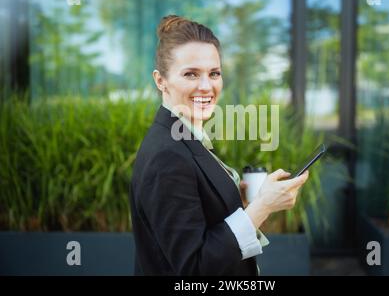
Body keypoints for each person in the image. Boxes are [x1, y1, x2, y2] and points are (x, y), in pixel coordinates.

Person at [129, 15, 309, 275]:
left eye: (214, 73)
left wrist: (244, 201)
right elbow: (195, 269)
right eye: (191, 74)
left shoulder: (185, 136)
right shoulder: (167, 155)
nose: (207, 86)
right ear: (160, 80)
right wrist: (263, 207)